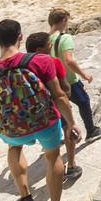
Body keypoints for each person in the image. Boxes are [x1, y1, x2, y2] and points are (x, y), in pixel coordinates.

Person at [0, 19, 76, 201]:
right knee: (53, 156)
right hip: (45, 123)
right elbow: (59, 96)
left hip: (12, 131)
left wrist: (7, 129)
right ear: (21, 36)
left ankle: (25, 197)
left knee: (14, 148)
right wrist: (71, 123)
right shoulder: (40, 61)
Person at [27, 32, 81, 180]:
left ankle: (55, 169)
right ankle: (71, 165)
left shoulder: (24, 65)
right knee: (68, 131)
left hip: (38, 110)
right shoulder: (54, 62)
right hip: (56, 105)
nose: (51, 46)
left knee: (51, 143)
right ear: (39, 49)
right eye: (48, 44)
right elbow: (66, 88)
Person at [48, 9, 101, 144]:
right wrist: (84, 75)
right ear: (63, 21)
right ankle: (91, 131)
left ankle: (62, 135)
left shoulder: (45, 39)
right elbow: (69, 61)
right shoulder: (65, 38)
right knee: (83, 102)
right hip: (69, 79)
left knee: (60, 107)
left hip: (53, 81)